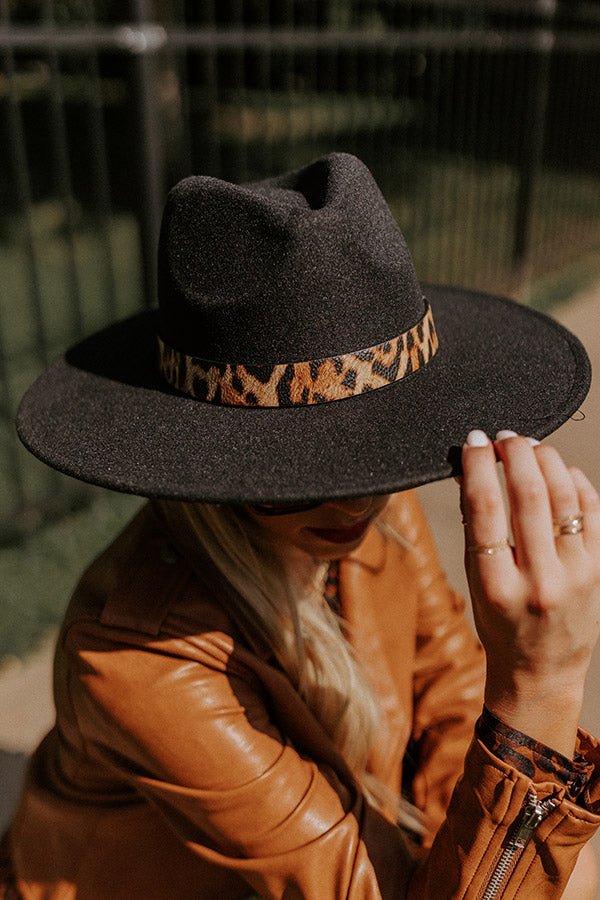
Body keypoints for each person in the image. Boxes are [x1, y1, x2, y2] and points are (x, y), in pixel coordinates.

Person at [3, 152, 600, 899]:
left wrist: (483, 824)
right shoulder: (140, 655)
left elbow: (445, 683)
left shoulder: (363, 506)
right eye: (293, 481)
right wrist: (540, 690)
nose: (351, 506)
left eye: (370, 459)